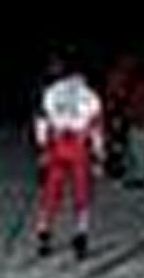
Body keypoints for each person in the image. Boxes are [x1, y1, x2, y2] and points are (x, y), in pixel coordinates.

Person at [32, 56, 103, 259]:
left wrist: (42, 149)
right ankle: (81, 233)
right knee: (81, 192)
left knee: (51, 191)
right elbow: (96, 129)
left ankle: (44, 231)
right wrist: (98, 155)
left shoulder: (52, 91)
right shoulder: (91, 96)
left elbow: (41, 121)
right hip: (79, 148)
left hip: (57, 146)